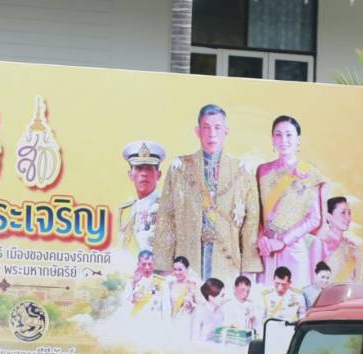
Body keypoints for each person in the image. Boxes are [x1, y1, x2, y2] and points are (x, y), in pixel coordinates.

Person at [156, 104, 261, 284]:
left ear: (226, 132)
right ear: (198, 131)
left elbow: (251, 221)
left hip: (227, 261)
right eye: (206, 127)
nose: (212, 134)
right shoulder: (180, 167)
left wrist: (249, 268)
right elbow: (166, 217)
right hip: (188, 258)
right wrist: (164, 266)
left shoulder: (242, 170)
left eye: (217, 127)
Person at [256, 115, 324, 288]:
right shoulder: (262, 171)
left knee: (294, 300)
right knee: (265, 300)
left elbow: (314, 218)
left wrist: (283, 241)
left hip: (293, 249)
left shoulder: (310, 174)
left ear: (298, 140)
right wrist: (260, 237)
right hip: (266, 250)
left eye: (289, 135)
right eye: (278, 135)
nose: (283, 140)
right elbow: (255, 211)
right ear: (272, 139)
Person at [115, 139, 167, 273]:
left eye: (149, 168)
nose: (144, 173)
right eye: (138, 168)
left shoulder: (169, 207)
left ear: (158, 174)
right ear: (130, 175)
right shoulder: (125, 210)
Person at [314, 196, 363, 284]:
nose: (348, 218)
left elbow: (357, 282)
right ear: (329, 216)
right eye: (343, 213)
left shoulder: (354, 248)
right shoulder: (320, 244)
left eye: (349, 213)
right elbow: (313, 280)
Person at [126, 249, 169, 323]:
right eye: (144, 264)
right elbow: (126, 305)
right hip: (135, 322)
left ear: (154, 264)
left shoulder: (162, 283)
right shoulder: (131, 282)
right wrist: (134, 284)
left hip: (153, 324)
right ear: (138, 264)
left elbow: (166, 308)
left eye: (150, 264)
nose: (147, 267)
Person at [221, 275, 262, 345]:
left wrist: (253, 320)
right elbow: (225, 327)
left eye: (248, 291)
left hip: (248, 341)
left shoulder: (252, 305)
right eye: (242, 290)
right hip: (232, 342)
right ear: (234, 288)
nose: (245, 294)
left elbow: (258, 327)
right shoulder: (227, 305)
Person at [167, 255, 199, 337]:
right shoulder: (171, 284)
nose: (177, 272)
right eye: (175, 269)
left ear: (187, 269)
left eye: (180, 269)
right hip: (172, 320)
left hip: (187, 322)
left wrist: (191, 303)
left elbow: (199, 307)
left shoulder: (192, 285)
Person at [190, 278, 226, 342]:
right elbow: (195, 339)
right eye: (222, 296)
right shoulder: (199, 311)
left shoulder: (220, 312)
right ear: (211, 297)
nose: (224, 298)